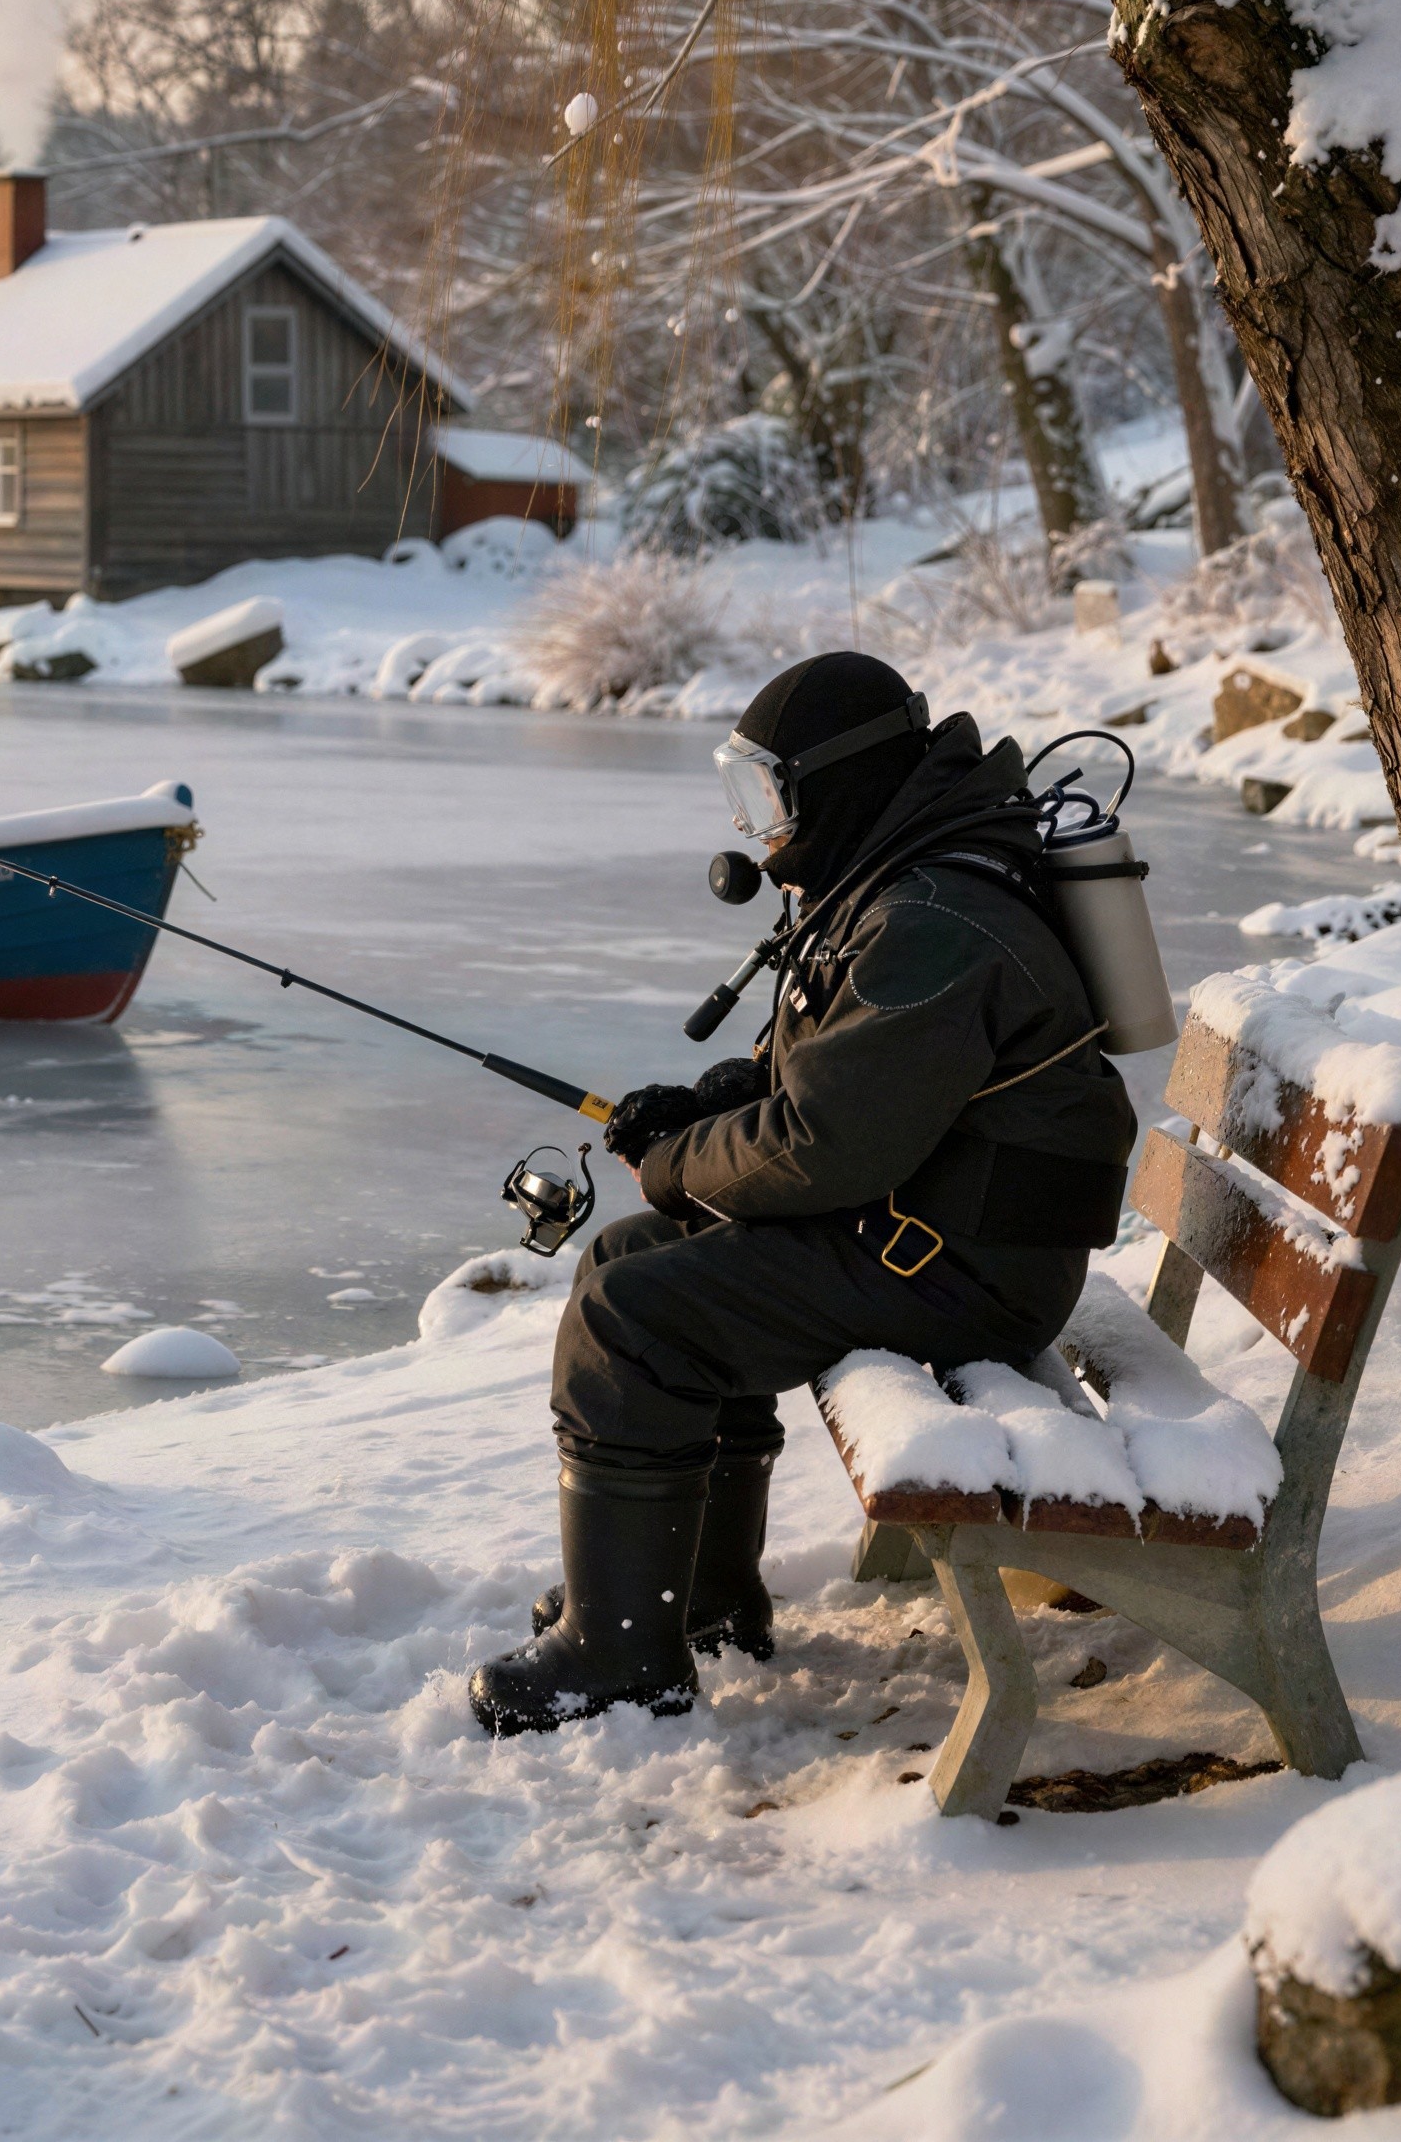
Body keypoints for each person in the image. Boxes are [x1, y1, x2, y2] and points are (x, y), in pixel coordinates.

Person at [469, 650, 1139, 1738]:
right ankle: (696, 1595)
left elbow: (825, 1145)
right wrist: (706, 1103)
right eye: (749, 796)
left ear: (842, 783)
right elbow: (840, 1074)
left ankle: (623, 1662)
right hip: (945, 1231)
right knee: (632, 1261)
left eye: (771, 798)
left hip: (965, 1267)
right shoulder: (902, 873)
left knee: (634, 1316)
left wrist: (676, 1157)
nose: (762, 830)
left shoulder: (932, 915)